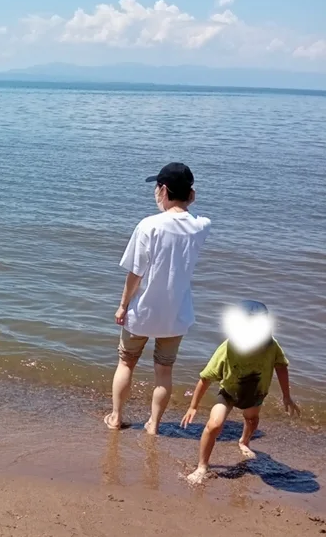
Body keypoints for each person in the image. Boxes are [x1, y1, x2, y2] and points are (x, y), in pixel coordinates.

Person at [105, 163, 211, 434]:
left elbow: (135, 273)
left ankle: (116, 417)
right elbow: (190, 218)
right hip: (175, 314)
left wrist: (122, 305)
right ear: (191, 194)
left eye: (157, 187)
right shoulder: (201, 226)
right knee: (164, 371)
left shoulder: (149, 225)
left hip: (143, 312)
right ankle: (154, 425)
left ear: (163, 190)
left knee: (126, 363)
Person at [181, 300, 300, 485]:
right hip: (229, 393)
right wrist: (193, 406)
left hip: (256, 394)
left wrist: (287, 395)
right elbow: (206, 377)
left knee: (252, 419)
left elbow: (281, 366)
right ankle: (202, 466)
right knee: (214, 425)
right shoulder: (229, 347)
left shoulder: (270, 345)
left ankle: (244, 442)